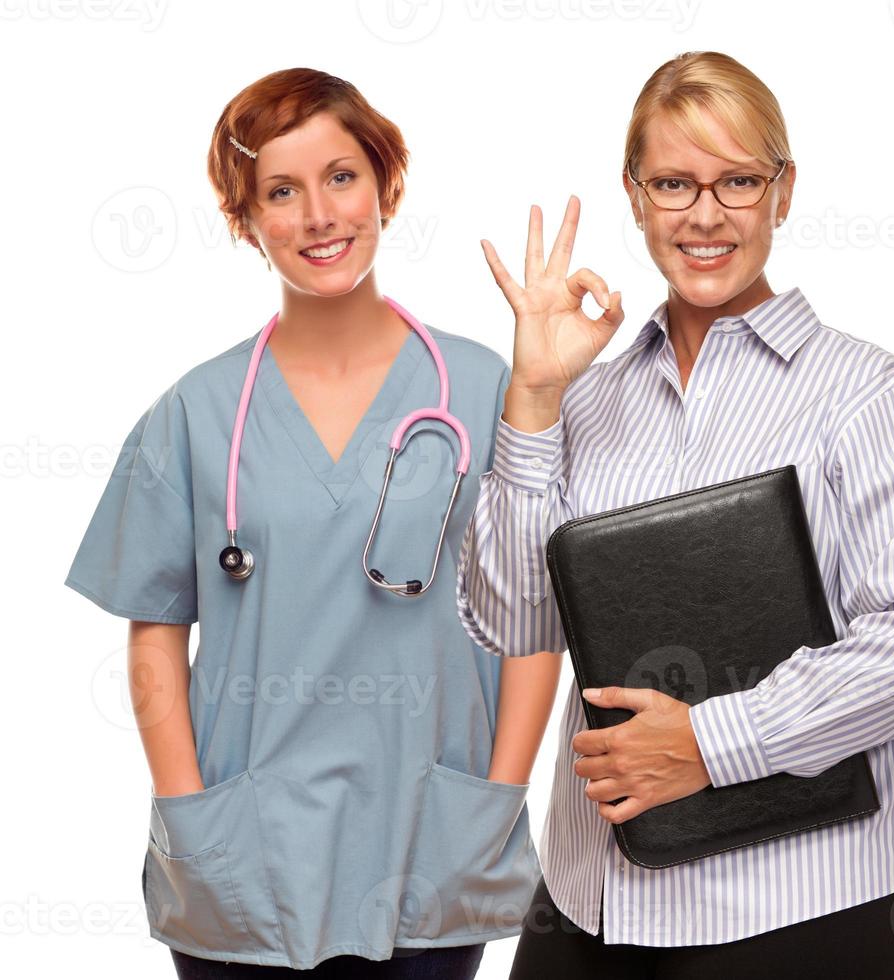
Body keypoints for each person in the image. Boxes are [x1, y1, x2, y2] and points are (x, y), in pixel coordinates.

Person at [457, 51, 894, 979]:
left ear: (784, 192)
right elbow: (511, 621)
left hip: (809, 895)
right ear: (635, 193)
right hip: (594, 899)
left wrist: (710, 744)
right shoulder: (585, 404)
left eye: (738, 180)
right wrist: (534, 398)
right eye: (674, 182)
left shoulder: (871, 395)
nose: (705, 215)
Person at [63, 67, 544, 977]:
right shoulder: (194, 413)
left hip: (431, 842)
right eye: (280, 191)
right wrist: (188, 815)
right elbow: (155, 636)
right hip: (245, 856)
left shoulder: (486, 390)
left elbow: (534, 620)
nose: (319, 214)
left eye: (341, 176)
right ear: (245, 219)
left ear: (385, 184)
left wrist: (497, 800)